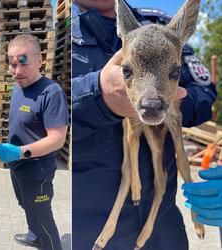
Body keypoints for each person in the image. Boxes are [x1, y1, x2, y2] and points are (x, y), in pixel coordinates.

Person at [72, 0, 217, 249]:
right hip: (87, 227)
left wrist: (173, 102)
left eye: (173, 72)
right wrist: (97, 95)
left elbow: (204, 92)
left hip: (164, 228)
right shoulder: (59, 33)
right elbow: (47, 114)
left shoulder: (163, 25)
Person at [0, 35, 69, 250]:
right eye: (12, 63)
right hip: (18, 169)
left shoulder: (51, 93)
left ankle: (49, 243)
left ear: (39, 60)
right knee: (26, 206)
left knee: (43, 218)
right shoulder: (18, 88)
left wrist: (18, 152)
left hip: (38, 172)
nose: (17, 71)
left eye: (23, 62)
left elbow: (57, 139)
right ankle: (34, 235)